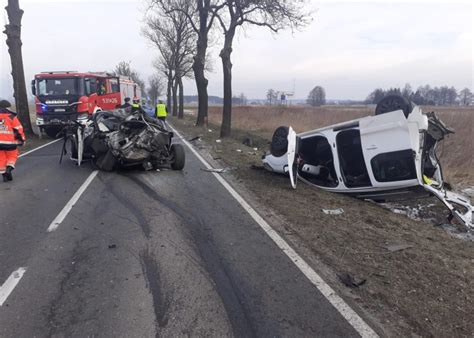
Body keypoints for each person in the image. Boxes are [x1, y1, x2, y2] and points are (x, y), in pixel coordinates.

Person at [0, 100, 25, 182]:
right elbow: (18, 130)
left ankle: (4, 175)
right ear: (6, 107)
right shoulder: (11, 117)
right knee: (12, 156)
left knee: (1, 159)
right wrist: (22, 140)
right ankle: (9, 170)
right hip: (10, 143)